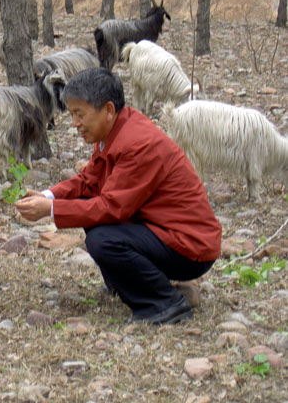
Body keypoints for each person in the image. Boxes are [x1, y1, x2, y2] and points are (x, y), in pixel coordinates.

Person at [15, 68, 221, 324]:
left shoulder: (138, 144)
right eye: (72, 114)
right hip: (162, 231)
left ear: (109, 110)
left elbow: (112, 208)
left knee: (103, 239)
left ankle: (164, 304)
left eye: (80, 114)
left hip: (190, 248)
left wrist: (50, 209)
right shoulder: (112, 132)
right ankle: (126, 283)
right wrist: (48, 195)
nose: (75, 123)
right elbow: (89, 180)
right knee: (94, 220)